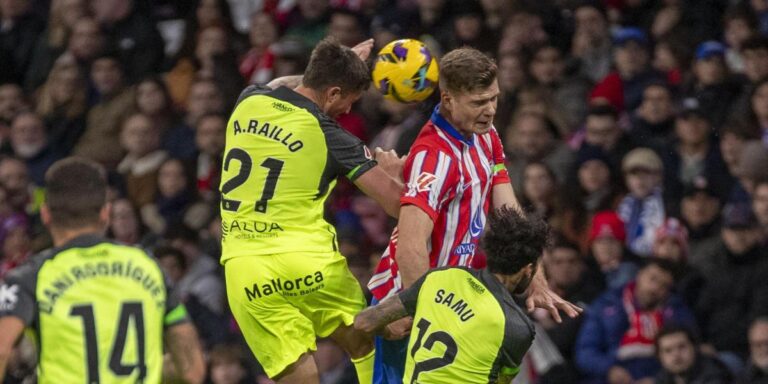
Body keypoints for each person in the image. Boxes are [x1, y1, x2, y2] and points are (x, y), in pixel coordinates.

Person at [367, 46, 580, 383]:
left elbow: (510, 212)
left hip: (453, 297)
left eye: (493, 98)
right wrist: (419, 312)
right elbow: (410, 245)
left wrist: (536, 279)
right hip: (412, 299)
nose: (490, 110)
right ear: (448, 98)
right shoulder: (434, 158)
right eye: (479, 103)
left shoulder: (487, 136)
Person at [221, 38, 404, 384]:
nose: (348, 111)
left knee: (295, 370)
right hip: (306, 263)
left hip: (244, 269)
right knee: (365, 342)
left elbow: (282, 86)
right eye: (349, 100)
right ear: (333, 93)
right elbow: (397, 204)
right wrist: (392, 173)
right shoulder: (331, 135)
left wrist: (340, 64)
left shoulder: (250, 101)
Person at [0, 157, 206, 382]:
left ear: (46, 213)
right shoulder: (149, 266)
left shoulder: (32, 276)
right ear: (106, 213)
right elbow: (191, 370)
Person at [355, 206, 547, 383]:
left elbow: (364, 322)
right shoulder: (517, 327)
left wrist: (389, 330)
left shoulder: (439, 277)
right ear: (528, 269)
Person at [575, 258, 696, 383]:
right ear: (639, 275)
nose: (655, 288)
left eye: (663, 285)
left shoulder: (676, 310)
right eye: (652, 279)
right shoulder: (606, 303)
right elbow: (585, 352)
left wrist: (658, 379)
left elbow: (688, 353)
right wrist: (609, 369)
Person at [654, 324, 732, 384]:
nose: (676, 354)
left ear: (694, 348)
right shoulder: (662, 378)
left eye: (682, 347)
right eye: (668, 350)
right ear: (659, 356)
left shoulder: (715, 374)